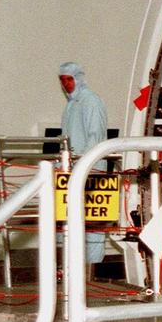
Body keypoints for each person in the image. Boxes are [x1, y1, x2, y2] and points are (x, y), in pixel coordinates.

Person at [58, 62, 108, 265]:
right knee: (71, 225)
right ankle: (73, 271)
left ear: (78, 78)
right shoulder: (70, 106)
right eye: (62, 80)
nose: (66, 84)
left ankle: (91, 274)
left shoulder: (91, 102)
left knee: (91, 228)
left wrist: (83, 166)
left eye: (69, 79)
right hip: (72, 174)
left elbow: (95, 138)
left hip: (90, 173)